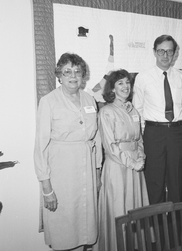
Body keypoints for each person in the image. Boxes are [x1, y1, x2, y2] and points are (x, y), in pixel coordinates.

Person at [34, 53, 102, 251]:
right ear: (59, 76)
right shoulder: (48, 101)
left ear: (83, 76)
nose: (73, 76)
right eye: (67, 72)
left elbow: (96, 138)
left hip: (87, 170)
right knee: (63, 228)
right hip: (61, 172)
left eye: (77, 71)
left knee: (85, 227)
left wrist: (97, 173)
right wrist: (47, 189)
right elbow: (40, 147)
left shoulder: (89, 99)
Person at [94, 69, 149, 251]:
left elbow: (139, 139)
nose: (125, 86)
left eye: (127, 82)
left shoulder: (132, 109)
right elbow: (110, 147)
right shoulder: (106, 112)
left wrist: (141, 157)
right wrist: (132, 163)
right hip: (118, 166)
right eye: (120, 83)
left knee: (135, 210)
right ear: (112, 88)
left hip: (136, 165)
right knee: (119, 209)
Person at [133, 34, 182, 204]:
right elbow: (138, 109)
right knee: (154, 180)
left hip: (176, 133)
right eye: (161, 51)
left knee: (176, 179)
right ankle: (157, 226)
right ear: (154, 52)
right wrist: (149, 132)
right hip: (153, 133)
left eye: (169, 51)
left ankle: (176, 227)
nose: (165, 56)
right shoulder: (143, 77)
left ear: (174, 53)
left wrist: (174, 126)